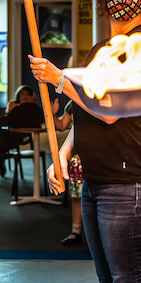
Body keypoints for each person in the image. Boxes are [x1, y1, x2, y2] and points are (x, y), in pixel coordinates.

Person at [30, 0, 141, 283]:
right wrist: (62, 155)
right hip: (96, 183)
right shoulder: (100, 51)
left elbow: (111, 112)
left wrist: (60, 80)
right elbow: (86, 117)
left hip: (133, 187)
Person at [52, 98, 82, 246]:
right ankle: (76, 231)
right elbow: (62, 126)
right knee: (77, 195)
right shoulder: (72, 104)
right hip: (78, 158)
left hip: (97, 156)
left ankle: (97, 231)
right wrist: (52, 114)